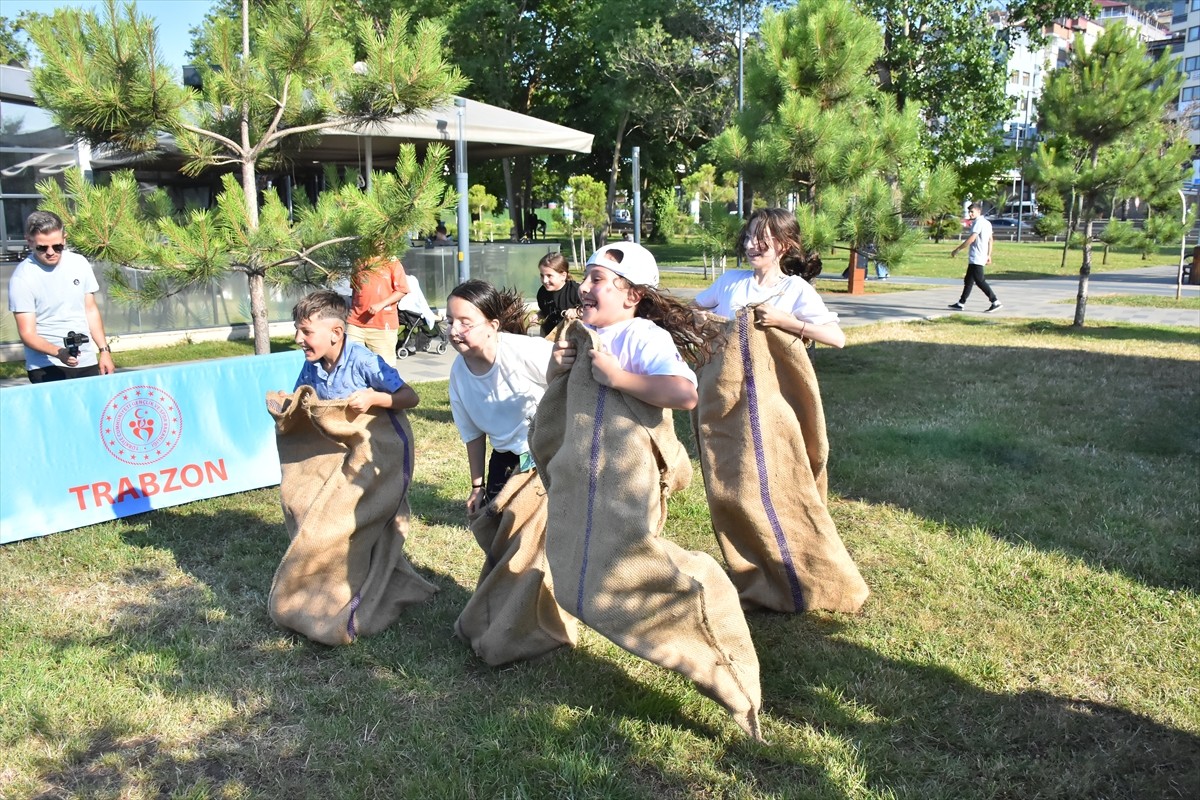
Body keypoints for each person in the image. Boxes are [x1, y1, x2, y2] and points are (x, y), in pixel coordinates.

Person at [447, 280, 554, 514]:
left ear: (492, 325)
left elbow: (569, 383)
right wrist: (478, 486)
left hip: (549, 457)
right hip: (505, 459)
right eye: (449, 321)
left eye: (465, 323)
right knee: (500, 532)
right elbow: (472, 434)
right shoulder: (458, 374)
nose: (454, 331)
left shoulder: (525, 351)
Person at [692, 207, 845, 349]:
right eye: (748, 237)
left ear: (784, 245)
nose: (750, 245)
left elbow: (837, 339)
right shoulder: (730, 280)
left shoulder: (795, 288)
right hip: (725, 375)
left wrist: (783, 321)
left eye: (760, 238)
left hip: (770, 377)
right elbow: (691, 309)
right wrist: (699, 319)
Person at [8, 210, 115, 383]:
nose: (51, 252)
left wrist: (104, 351)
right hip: (46, 365)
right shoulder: (22, 278)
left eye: (57, 246)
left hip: (86, 360)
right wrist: (59, 352)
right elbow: (27, 333)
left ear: (64, 238)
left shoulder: (79, 263)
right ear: (29, 241)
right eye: (42, 247)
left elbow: (91, 310)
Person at [292, 289, 418, 412]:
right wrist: (287, 401)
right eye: (296, 330)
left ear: (336, 333)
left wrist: (373, 398)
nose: (298, 339)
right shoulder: (311, 365)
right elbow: (298, 397)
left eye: (306, 332)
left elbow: (410, 397)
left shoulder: (364, 360)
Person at [346, 253, 409, 368]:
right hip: (356, 322)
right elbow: (355, 290)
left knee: (384, 369)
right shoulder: (359, 260)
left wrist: (381, 304)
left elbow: (402, 290)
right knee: (350, 363)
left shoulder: (392, 262)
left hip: (383, 324)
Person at [950, 203, 1002, 312]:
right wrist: (988, 255)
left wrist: (957, 249)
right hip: (980, 255)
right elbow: (990, 240)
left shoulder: (978, 223)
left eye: (972, 211)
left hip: (977, 256)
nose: (970, 214)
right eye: (969, 211)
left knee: (980, 281)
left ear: (979, 211)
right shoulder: (987, 223)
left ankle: (995, 301)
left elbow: (972, 239)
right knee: (968, 280)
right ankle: (961, 303)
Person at [535, 252, 580, 337]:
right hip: (550, 335)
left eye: (549, 276)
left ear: (563, 276)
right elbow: (546, 311)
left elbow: (592, 311)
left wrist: (576, 312)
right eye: (542, 275)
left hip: (573, 337)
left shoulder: (576, 291)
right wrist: (538, 315)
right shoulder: (542, 292)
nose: (545, 280)